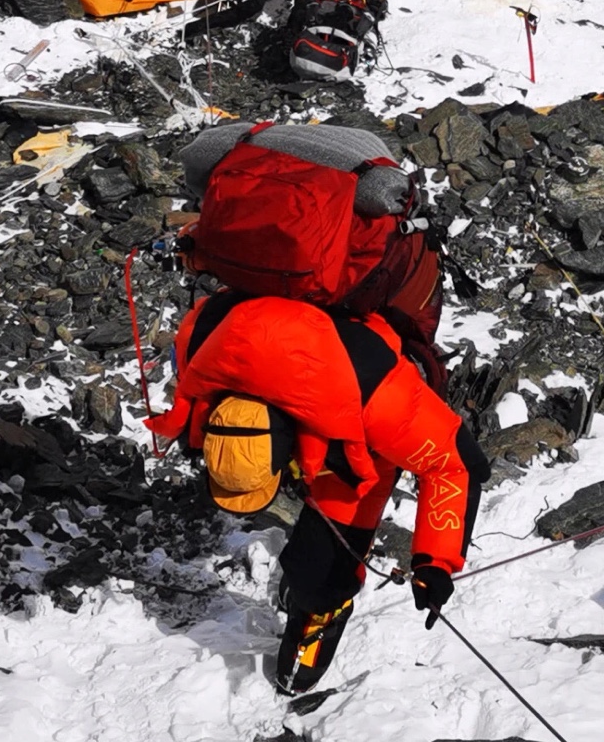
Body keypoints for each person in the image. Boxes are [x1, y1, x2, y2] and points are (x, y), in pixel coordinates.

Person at [148, 291, 488, 694]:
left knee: (325, 565)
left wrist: (435, 562)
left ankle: (320, 608)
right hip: (293, 351)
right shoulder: (203, 344)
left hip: (352, 407)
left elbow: (457, 463)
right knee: (315, 540)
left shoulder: (380, 402)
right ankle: (306, 580)